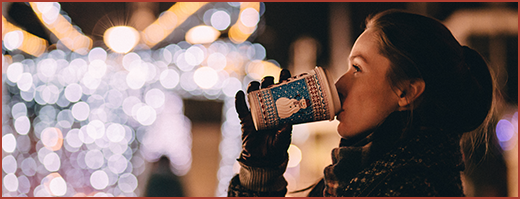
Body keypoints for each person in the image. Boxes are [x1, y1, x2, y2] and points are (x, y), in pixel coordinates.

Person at [227, 9, 494, 197]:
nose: (340, 85)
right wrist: (261, 174)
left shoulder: (408, 189)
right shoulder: (359, 178)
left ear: (406, 92)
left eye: (357, 68)